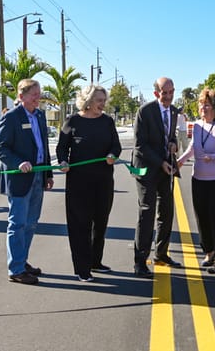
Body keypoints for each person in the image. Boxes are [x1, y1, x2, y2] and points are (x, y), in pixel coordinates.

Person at [56, 84, 121, 282]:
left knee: (100, 222)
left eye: (104, 100)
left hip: (103, 181)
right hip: (78, 182)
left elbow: (116, 145)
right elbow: (61, 148)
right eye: (99, 100)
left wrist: (112, 155)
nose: (103, 104)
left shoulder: (107, 122)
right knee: (80, 225)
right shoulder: (72, 121)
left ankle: (95, 261)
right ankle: (82, 268)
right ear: (88, 101)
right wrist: (63, 162)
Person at [0, 79, 54, 285]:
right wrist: (18, 163)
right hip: (19, 178)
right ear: (21, 96)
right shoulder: (11, 117)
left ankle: (22, 260)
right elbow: (0, 148)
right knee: (17, 223)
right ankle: (16, 269)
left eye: (39, 94)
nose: (38, 98)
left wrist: (48, 174)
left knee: (31, 223)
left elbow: (43, 146)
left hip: (38, 175)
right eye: (34, 94)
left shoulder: (39, 115)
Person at [177, 88, 215, 274]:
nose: (203, 108)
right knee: (201, 215)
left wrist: (214, 157)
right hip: (199, 177)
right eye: (201, 105)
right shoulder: (197, 126)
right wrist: (181, 160)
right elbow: (194, 147)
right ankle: (209, 252)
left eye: (207, 105)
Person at [132, 77, 181, 278]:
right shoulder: (145, 111)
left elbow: (169, 136)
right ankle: (140, 262)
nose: (168, 96)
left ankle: (161, 253)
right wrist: (160, 162)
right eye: (164, 93)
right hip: (146, 168)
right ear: (156, 93)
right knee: (147, 212)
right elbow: (140, 145)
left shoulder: (174, 111)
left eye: (171, 92)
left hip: (165, 169)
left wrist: (173, 144)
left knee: (167, 211)